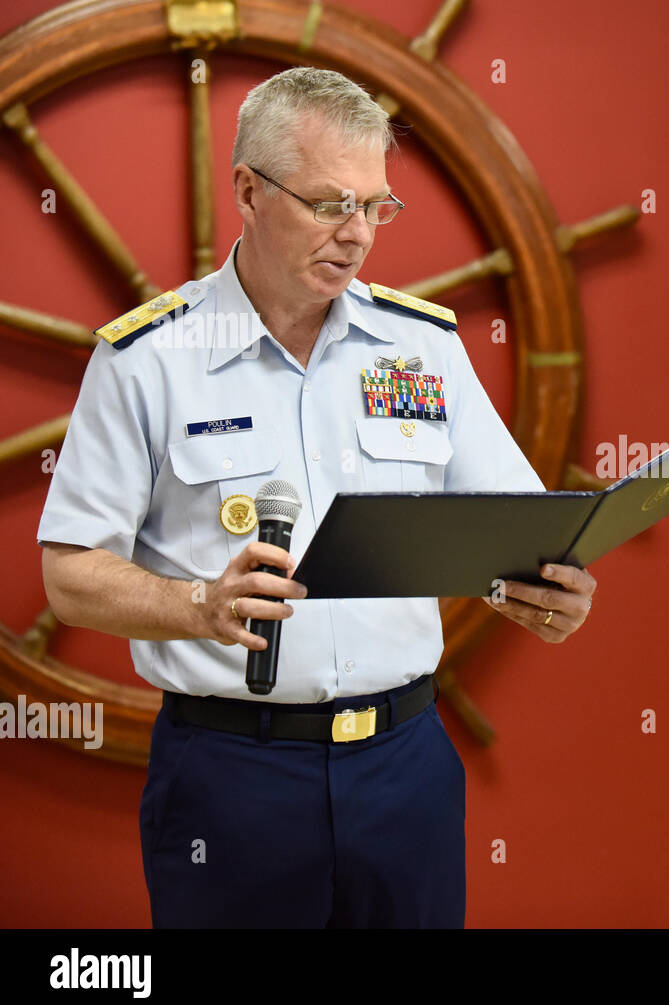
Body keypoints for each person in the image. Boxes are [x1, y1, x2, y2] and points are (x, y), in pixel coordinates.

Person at [38, 67, 596, 929]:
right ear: (249, 192)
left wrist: (539, 586)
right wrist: (198, 604)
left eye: (377, 206)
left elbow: (510, 528)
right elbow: (70, 573)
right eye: (331, 203)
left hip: (403, 766)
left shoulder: (423, 349)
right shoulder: (149, 359)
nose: (358, 234)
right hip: (230, 777)